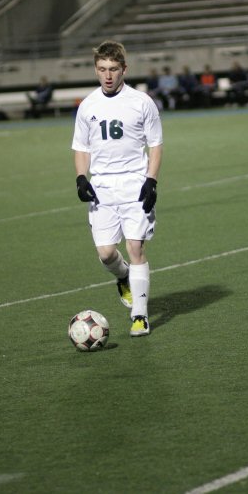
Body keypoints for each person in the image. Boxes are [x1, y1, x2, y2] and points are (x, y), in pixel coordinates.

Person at [72, 40, 163, 337]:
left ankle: (140, 315)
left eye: (113, 69)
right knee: (107, 253)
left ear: (124, 69)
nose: (108, 76)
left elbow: (155, 144)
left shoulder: (142, 102)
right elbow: (81, 147)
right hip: (103, 188)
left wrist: (151, 179)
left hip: (135, 183)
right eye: (102, 70)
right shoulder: (88, 105)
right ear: (96, 70)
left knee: (135, 246)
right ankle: (123, 276)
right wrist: (81, 177)